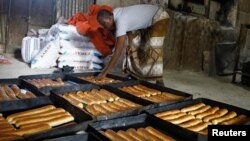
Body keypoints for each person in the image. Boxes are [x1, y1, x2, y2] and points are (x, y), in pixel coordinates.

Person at [96, 4, 159, 79]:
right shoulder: (115, 13)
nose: (104, 27)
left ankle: (159, 81)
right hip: (149, 19)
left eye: (104, 24)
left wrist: (104, 73)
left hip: (159, 16)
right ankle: (135, 73)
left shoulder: (120, 21)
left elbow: (117, 52)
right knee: (135, 48)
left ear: (109, 18)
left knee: (154, 49)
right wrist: (131, 47)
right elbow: (129, 31)